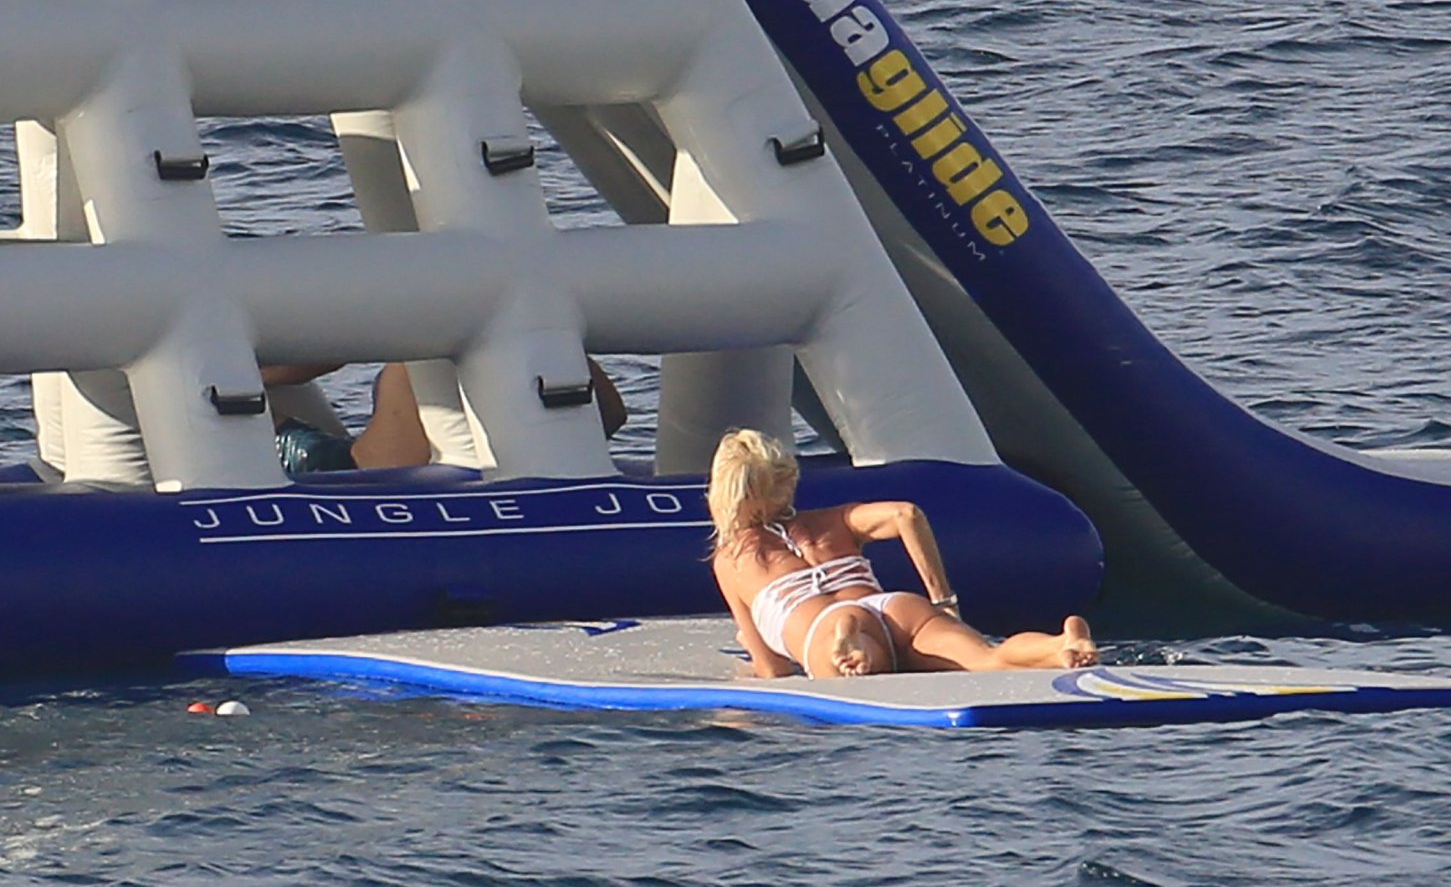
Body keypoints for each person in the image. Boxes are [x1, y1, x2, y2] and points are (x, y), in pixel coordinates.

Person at [707, 428, 1098, 679]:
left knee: (854, 670)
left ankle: (850, 638)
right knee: (987, 658)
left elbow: (773, 669)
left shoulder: (732, 560)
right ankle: (1059, 645)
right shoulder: (832, 520)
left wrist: (752, 658)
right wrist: (942, 600)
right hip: (894, 607)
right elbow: (906, 514)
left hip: (822, 626)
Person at [260, 360, 627, 474]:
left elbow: (389, 470)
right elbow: (612, 416)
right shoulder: (545, 345)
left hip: (358, 471)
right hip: (365, 467)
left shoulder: (413, 362)